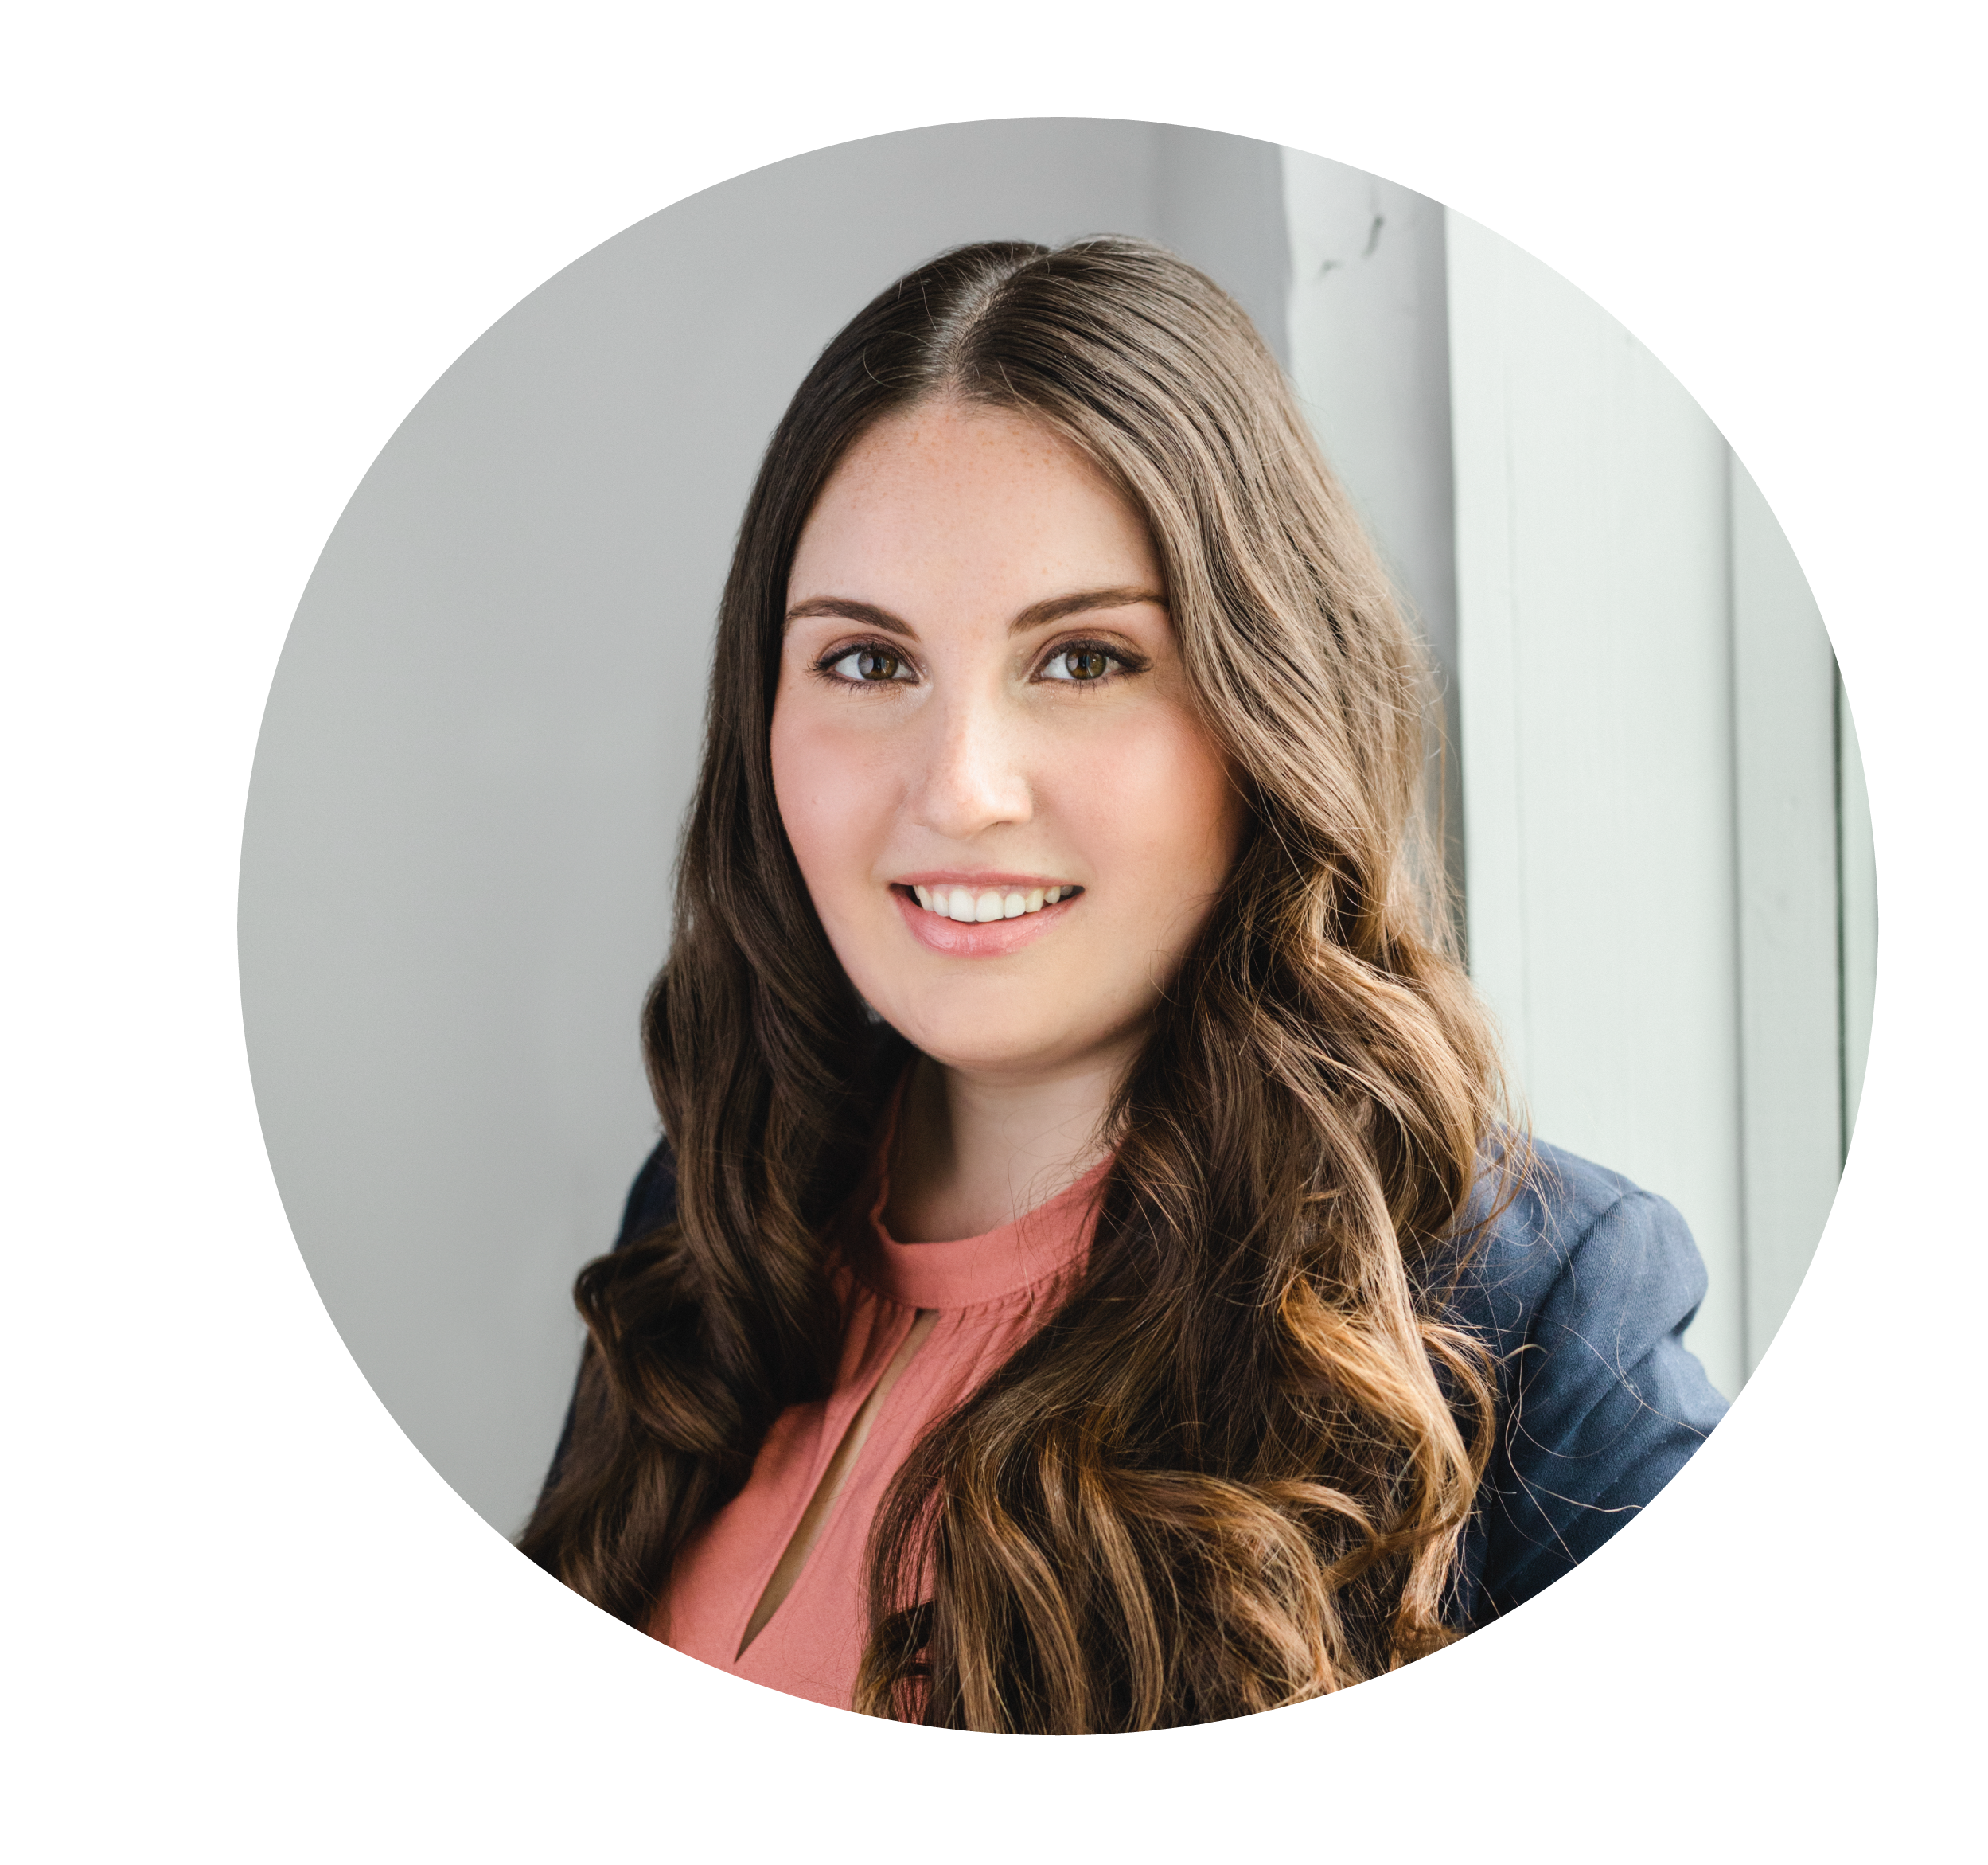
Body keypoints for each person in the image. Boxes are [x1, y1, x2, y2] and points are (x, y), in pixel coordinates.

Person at [520, 236, 1765, 1734]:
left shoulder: (1514, 1308)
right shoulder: (716, 1206)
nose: (962, 787)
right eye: (864, 662)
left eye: (1087, 659)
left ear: (1263, 710)